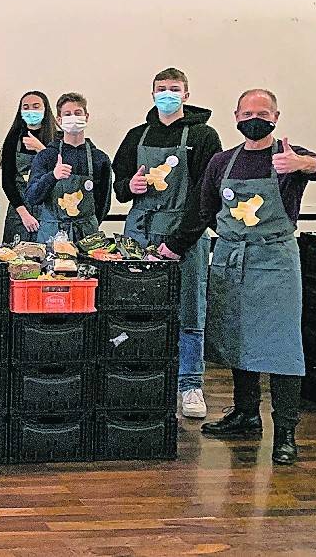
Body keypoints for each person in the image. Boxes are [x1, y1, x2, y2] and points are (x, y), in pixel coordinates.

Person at [160, 89, 316, 465]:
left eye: (263, 113)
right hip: (229, 259)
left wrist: (304, 164)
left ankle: (285, 431)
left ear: (276, 117)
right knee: (237, 338)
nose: (254, 119)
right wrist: (173, 246)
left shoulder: (289, 158)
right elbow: (203, 210)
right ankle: (245, 415)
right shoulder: (222, 162)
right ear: (236, 116)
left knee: (282, 347)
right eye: (247, 113)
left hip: (274, 261)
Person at [113, 67, 222, 419]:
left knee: (189, 309)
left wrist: (178, 242)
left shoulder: (204, 136)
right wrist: (130, 186)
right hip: (140, 234)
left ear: (186, 94)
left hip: (185, 236)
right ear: (152, 93)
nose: (167, 94)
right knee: (135, 306)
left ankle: (189, 384)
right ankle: (134, 377)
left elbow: (206, 196)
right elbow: (119, 185)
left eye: (174, 88)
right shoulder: (136, 136)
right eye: (161, 88)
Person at [25, 92, 112, 242]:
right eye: (67, 114)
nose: (73, 118)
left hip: (87, 235)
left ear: (86, 117)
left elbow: (104, 203)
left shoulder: (99, 159)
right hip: (52, 234)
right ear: (59, 120)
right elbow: (31, 197)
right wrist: (52, 176)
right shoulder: (47, 156)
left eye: (78, 113)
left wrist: (87, 223)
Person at [0, 91, 60, 244]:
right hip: (20, 212)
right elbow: (7, 181)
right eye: (26, 107)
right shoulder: (13, 139)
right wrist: (24, 214)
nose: (31, 111)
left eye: (36, 106)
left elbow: (64, 175)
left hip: (49, 211)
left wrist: (42, 150)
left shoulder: (58, 139)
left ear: (45, 109)